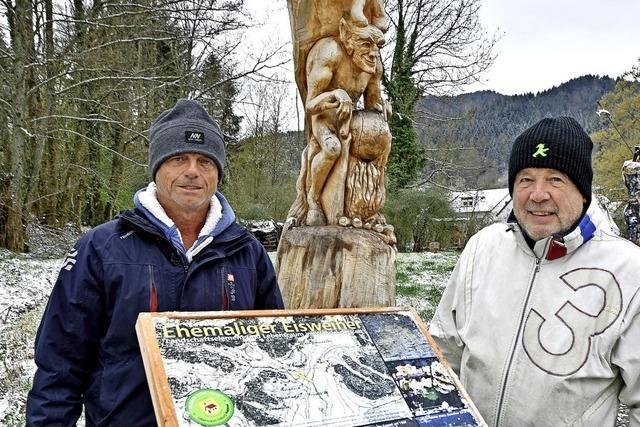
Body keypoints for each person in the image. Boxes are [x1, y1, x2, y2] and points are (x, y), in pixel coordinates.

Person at [26, 99, 284, 426]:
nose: (192, 171)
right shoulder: (102, 248)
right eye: (179, 159)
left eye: (205, 161)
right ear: (157, 168)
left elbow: (273, 355)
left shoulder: (248, 253)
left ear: (217, 173)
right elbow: (60, 365)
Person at [430, 116, 640, 426]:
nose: (537, 194)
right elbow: (443, 352)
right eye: (525, 179)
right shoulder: (482, 248)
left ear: (583, 192)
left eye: (555, 179)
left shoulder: (629, 271)